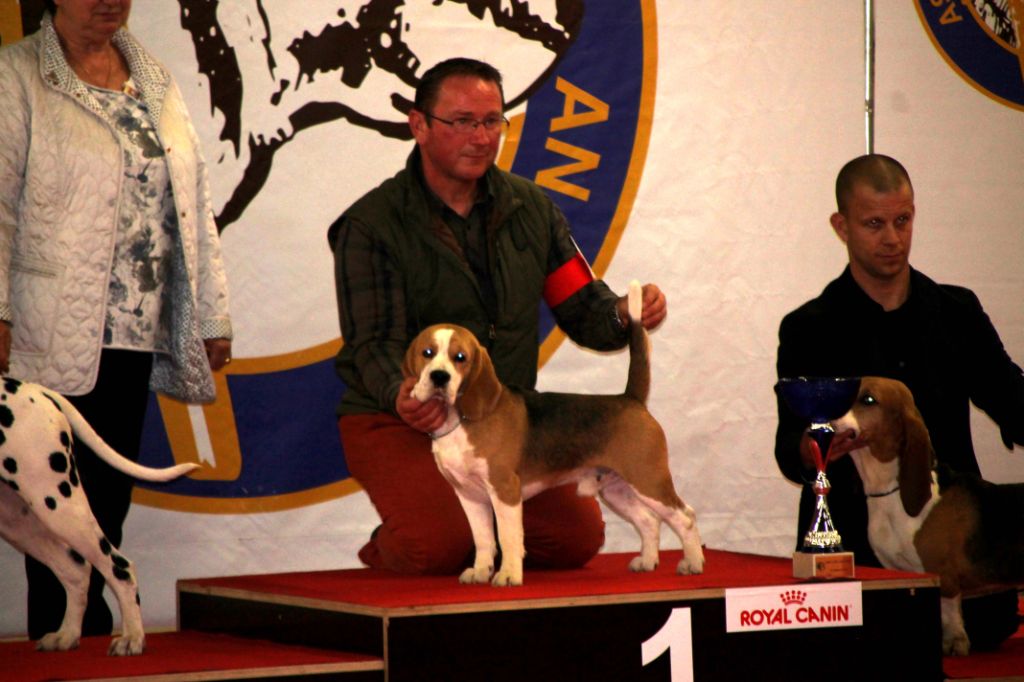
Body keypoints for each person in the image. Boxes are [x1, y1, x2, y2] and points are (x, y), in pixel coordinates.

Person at [328, 57, 667, 575]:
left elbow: (583, 307)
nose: (481, 137)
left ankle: (458, 531)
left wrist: (623, 313)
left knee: (575, 540)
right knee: (436, 546)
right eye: (462, 121)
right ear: (419, 125)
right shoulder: (371, 224)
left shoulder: (533, 209)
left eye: (492, 121)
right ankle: (404, 538)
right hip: (398, 416)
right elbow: (371, 345)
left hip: (498, 416)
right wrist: (399, 395)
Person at [0, 0, 232, 641]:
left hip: (135, 329)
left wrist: (211, 313)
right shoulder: (14, 76)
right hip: (46, 326)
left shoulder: (152, 76)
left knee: (106, 505)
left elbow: (194, 199)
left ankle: (92, 637)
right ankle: (72, 641)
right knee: (50, 506)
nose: (109, 0)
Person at [774, 153, 1024, 649]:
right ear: (841, 226)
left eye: (902, 221)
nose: (892, 238)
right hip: (851, 555)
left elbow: (1012, 397)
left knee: (987, 626)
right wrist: (811, 449)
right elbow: (789, 450)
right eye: (873, 224)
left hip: (960, 552)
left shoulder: (957, 311)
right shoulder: (808, 328)